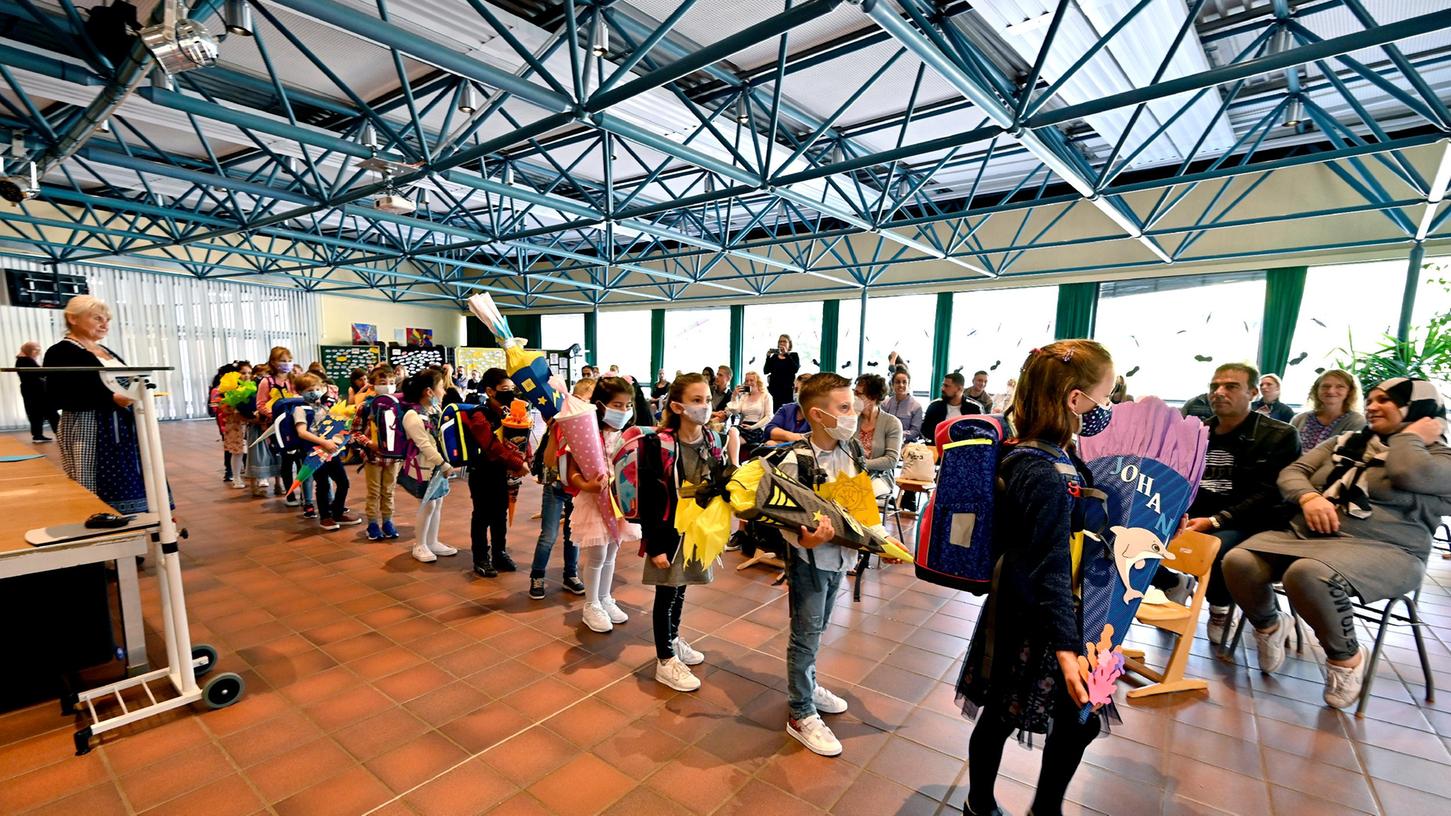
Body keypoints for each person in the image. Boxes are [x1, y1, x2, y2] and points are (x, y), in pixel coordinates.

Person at [1225, 378, 1451, 709]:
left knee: (1308, 573)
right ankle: (1269, 625)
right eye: (1370, 399)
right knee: (1238, 560)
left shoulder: (1440, 458)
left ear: (1419, 409)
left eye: (1385, 400)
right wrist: (1309, 497)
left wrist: (1410, 437)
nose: (1372, 406)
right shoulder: (1345, 442)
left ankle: (1346, 659)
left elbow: (1407, 473)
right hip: (1309, 537)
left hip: (1390, 551)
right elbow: (1292, 472)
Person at [959, 340, 1116, 816]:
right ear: (1075, 400)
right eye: (1104, 398)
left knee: (1047, 719)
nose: (1106, 409)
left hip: (1037, 610)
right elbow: (1049, 563)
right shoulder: (1045, 471)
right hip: (1042, 620)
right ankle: (995, 805)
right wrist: (1069, 652)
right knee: (1028, 718)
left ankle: (1008, 806)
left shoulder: (1042, 456)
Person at [777, 373, 885, 757]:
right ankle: (800, 711)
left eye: (853, 406)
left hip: (841, 555)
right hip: (810, 560)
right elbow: (786, 520)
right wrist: (805, 538)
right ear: (818, 415)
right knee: (805, 632)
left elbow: (858, 499)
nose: (853, 414)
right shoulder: (796, 460)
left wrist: (874, 535)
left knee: (820, 625)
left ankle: (808, 682)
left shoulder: (851, 449)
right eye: (844, 408)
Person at [1162, 363, 1300, 642]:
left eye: (1231, 386)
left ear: (1252, 392)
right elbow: (1181, 480)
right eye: (1215, 387)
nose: (1219, 392)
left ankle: (1220, 608)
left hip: (1254, 521)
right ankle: (1173, 582)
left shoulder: (1280, 435)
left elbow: (1271, 494)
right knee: (1131, 532)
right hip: (1200, 515)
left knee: (1214, 547)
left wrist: (1216, 520)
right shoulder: (1199, 431)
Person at [643, 373, 723, 693]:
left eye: (706, 400)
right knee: (666, 592)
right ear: (677, 406)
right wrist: (655, 545)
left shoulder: (711, 440)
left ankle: (674, 639)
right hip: (667, 531)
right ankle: (665, 660)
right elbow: (650, 497)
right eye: (696, 401)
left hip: (696, 530)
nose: (704, 407)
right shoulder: (660, 444)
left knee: (682, 587)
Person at [42, 296, 151, 514]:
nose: (105, 324)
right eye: (97, 318)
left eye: (107, 319)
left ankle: (132, 529)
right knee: (99, 484)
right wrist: (110, 399)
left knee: (135, 478)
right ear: (73, 318)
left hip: (123, 426)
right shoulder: (61, 352)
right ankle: (104, 525)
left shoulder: (105, 350)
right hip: (92, 427)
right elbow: (58, 395)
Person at [567, 377, 642, 633]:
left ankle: (605, 597)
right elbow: (571, 472)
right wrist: (588, 486)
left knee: (612, 552)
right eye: (617, 405)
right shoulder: (586, 434)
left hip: (618, 502)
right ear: (600, 405)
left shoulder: (625, 435)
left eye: (627, 405)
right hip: (593, 501)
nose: (623, 411)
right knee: (597, 553)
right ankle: (591, 604)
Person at [400, 368, 458, 563]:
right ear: (429, 391)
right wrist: (443, 464)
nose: (444, 391)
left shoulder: (434, 410)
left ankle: (432, 541)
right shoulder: (412, 415)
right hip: (424, 469)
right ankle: (420, 544)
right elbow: (424, 445)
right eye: (441, 387)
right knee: (428, 505)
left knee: (437, 502)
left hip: (437, 468)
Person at [292, 373, 362, 531]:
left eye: (317, 388)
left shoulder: (324, 406)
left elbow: (333, 426)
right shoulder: (300, 409)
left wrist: (344, 438)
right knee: (322, 484)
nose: (315, 392)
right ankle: (325, 517)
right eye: (309, 389)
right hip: (314, 453)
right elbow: (302, 432)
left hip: (331, 452)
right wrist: (323, 442)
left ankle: (337, 512)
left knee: (343, 482)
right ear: (300, 391)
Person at [527, 416, 584, 600]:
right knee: (548, 535)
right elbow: (549, 460)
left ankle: (570, 575)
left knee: (573, 534)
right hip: (555, 486)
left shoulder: (588, 427)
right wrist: (553, 431)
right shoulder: (557, 427)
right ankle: (537, 575)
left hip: (576, 489)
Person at [471, 368, 520, 577]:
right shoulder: (479, 415)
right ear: (491, 391)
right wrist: (518, 462)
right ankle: (481, 557)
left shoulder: (512, 413)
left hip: (504, 472)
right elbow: (491, 446)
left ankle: (500, 552)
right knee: (482, 514)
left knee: (501, 513)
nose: (509, 393)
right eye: (504, 389)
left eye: (511, 389)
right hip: (482, 471)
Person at [353, 364, 402, 541]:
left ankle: (388, 521)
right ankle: (372, 523)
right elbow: (355, 431)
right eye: (383, 382)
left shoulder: (398, 405)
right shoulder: (365, 406)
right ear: (373, 385)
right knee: (374, 491)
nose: (388, 385)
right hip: (373, 457)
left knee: (389, 490)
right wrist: (369, 443)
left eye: (391, 382)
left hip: (393, 458)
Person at [248, 347, 296, 499]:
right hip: (275, 425)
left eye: (289, 361)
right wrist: (275, 415)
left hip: (294, 424)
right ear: (273, 362)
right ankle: (287, 491)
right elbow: (261, 405)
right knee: (281, 457)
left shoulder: (294, 380)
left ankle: (300, 492)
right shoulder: (266, 382)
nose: (287, 364)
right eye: (282, 361)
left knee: (294, 458)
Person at [1291, 369, 1366, 452]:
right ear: (1316, 390)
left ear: (1349, 391)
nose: (1331, 391)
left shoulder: (1356, 421)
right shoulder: (1299, 419)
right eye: (1325, 386)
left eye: (1340, 386)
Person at [854, 373, 903, 498]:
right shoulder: (853, 419)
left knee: (860, 495)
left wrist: (861, 463)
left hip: (881, 477)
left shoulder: (892, 423)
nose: (853, 397)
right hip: (852, 474)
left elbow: (891, 460)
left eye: (858, 394)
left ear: (872, 398)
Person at [15, 341, 57, 443]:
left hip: (33, 389)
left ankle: (38, 435)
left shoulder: (24, 360)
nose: (37, 353)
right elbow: (40, 373)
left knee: (38, 413)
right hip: (34, 390)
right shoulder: (25, 360)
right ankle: (59, 434)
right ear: (30, 350)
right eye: (36, 350)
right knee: (49, 412)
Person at [923, 371, 976, 442]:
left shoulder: (974, 409)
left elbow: (976, 434)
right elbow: (925, 431)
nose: (942, 389)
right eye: (943, 385)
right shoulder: (934, 407)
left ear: (959, 389)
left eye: (946, 386)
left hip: (963, 449)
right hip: (937, 447)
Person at [883, 368, 924, 442]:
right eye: (897, 382)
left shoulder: (916, 407)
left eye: (904, 382)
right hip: (885, 441)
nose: (901, 385)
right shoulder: (885, 403)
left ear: (909, 385)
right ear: (892, 385)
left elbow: (915, 431)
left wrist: (897, 434)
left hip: (906, 444)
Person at [764, 334, 800, 409]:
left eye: (784, 341)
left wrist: (786, 354)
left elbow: (795, 369)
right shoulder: (774, 357)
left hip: (787, 391)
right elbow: (766, 371)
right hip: (774, 390)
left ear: (789, 344)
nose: (782, 343)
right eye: (780, 341)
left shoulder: (794, 355)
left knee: (787, 412)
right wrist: (768, 357)